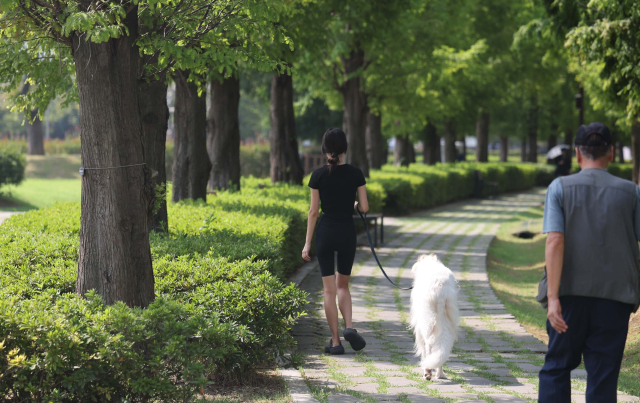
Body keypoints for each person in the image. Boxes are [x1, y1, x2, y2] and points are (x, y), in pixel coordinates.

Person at [537, 122, 640, 402]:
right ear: (611, 153)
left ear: (578, 154)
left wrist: (553, 297)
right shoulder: (631, 192)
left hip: (568, 299)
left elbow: (555, 240)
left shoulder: (559, 187)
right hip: (614, 299)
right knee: (603, 378)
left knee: (557, 368)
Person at [302, 128, 368, 355]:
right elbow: (365, 207)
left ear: (324, 149)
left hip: (325, 233)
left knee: (328, 290)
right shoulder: (356, 173)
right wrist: (354, 206)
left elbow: (313, 212)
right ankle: (349, 327)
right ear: (345, 149)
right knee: (343, 286)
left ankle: (336, 342)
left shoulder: (317, 176)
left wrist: (307, 244)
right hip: (347, 232)